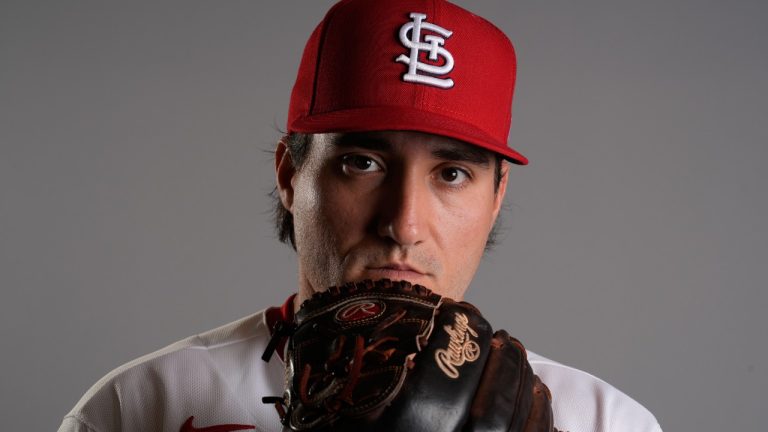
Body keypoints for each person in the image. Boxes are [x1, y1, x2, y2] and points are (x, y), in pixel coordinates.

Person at [58, 1, 662, 431]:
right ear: (291, 175)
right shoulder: (139, 408)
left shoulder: (605, 422)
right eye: (362, 162)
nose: (402, 225)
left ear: (497, 195)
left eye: (451, 174)